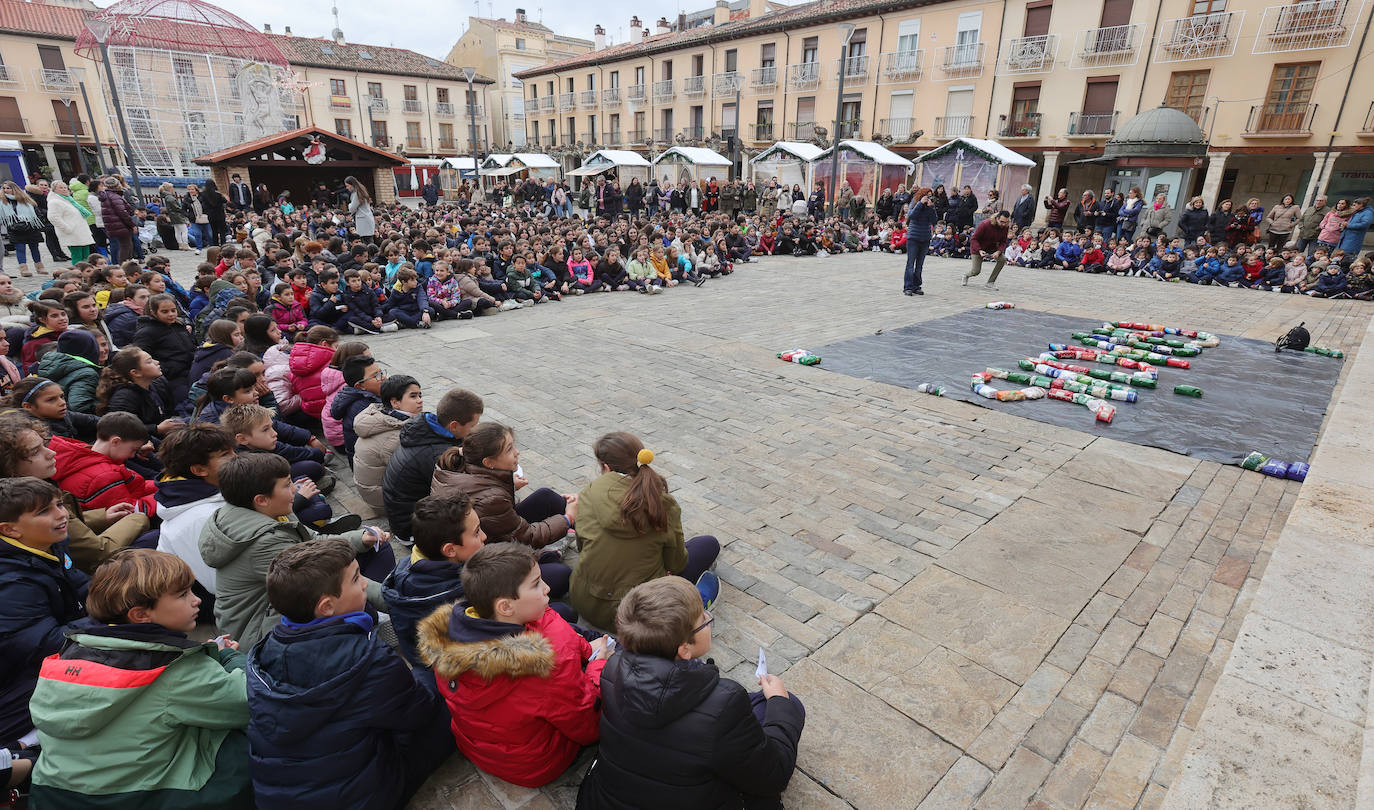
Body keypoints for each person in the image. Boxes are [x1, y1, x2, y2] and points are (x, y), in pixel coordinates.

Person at [27, 548, 253, 810]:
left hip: (52, 795)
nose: (197, 600)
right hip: (138, 799)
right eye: (183, 595)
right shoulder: (174, 669)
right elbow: (248, 701)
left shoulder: (65, 658)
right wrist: (228, 658)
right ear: (140, 615)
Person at [247, 539, 454, 810]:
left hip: (279, 796)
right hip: (358, 798)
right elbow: (419, 711)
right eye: (356, 579)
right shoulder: (368, 660)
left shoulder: (265, 651)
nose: (366, 583)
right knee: (446, 702)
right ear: (326, 607)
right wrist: (428, 671)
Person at [577, 576, 805, 809]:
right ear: (684, 648)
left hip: (606, 801)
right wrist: (780, 702)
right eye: (703, 619)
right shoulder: (725, 703)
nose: (708, 619)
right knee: (785, 706)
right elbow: (774, 775)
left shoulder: (612, 668)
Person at [416, 543, 607, 788]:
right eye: (537, 583)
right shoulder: (543, 663)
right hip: (538, 765)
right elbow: (589, 726)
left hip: (480, 749)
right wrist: (598, 665)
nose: (547, 587)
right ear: (505, 607)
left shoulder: (449, 638)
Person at [198, 453, 389, 648]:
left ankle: (373, 613)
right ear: (261, 499)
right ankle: (368, 625)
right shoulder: (264, 541)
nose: (295, 489)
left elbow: (314, 541)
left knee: (375, 547)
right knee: (348, 593)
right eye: (287, 484)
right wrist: (394, 598)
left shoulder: (265, 513)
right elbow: (319, 577)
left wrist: (360, 539)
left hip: (283, 599)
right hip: (258, 631)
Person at [569, 433, 720, 631]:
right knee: (707, 545)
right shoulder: (662, 503)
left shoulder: (589, 492)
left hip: (584, 600)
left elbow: (582, 545)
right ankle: (695, 602)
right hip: (634, 614)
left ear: (605, 467)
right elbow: (676, 564)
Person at [0, 475, 92, 750]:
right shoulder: (11, 581)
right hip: (14, 685)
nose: (61, 514)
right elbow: (41, 643)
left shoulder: (46, 546)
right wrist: (106, 623)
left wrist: (119, 594)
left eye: (60, 504)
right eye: (45, 511)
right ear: (10, 530)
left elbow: (79, 583)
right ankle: (22, 749)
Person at [382, 387, 484, 543]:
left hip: (403, 511)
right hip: (410, 529)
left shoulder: (427, 429)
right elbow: (458, 495)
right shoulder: (436, 455)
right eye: (472, 426)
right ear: (454, 425)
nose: (474, 430)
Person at [353, 374, 422, 513]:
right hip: (384, 501)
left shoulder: (379, 415)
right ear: (395, 403)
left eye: (420, 395)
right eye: (413, 396)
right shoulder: (397, 436)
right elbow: (408, 473)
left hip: (373, 490)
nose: (420, 400)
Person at [1, 179, 48, 276]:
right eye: (4, 188)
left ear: (14, 189)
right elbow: (4, 218)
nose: (6, 190)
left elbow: (36, 212)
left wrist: (31, 224)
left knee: (34, 248)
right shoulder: (2, 202)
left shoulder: (26, 199)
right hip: (15, 229)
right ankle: (23, 269)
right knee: (20, 248)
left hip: (30, 227)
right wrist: (13, 226)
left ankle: (40, 267)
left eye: (8, 188)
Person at [962, 210, 1013, 289]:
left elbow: (1003, 242)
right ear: (997, 218)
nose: (1003, 224)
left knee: (1002, 259)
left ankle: (990, 282)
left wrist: (998, 251)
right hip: (978, 248)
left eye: (1006, 222)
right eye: (1002, 222)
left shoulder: (1005, 227)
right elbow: (974, 239)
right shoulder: (984, 224)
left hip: (992, 248)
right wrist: (979, 250)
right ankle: (966, 275)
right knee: (976, 271)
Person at [48, 181, 96, 264]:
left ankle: (86, 274)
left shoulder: (69, 199)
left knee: (86, 257)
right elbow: (53, 217)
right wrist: (67, 229)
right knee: (77, 257)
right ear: (54, 190)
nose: (64, 189)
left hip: (81, 232)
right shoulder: (54, 202)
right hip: (72, 233)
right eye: (61, 188)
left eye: (65, 187)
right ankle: (77, 275)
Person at [903, 186, 937, 296]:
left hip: (925, 237)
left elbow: (934, 220)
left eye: (931, 195)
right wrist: (920, 204)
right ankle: (908, 287)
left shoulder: (930, 206)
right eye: (927, 195)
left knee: (919, 264)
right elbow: (911, 215)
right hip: (913, 237)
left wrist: (931, 207)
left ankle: (916, 286)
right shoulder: (915, 201)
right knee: (910, 263)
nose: (929, 198)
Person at [346, 176, 376, 243]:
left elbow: (352, 208)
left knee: (365, 240)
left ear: (352, 185)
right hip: (367, 218)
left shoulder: (356, 194)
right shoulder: (361, 191)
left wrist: (349, 205)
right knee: (369, 239)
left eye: (347, 186)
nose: (347, 188)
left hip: (363, 220)